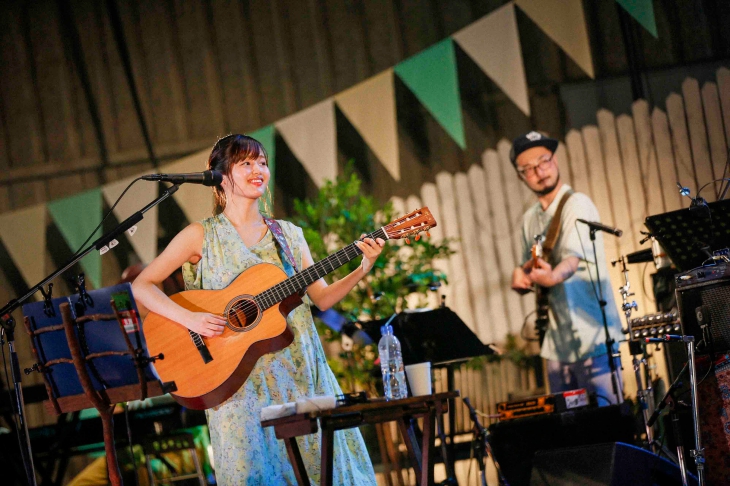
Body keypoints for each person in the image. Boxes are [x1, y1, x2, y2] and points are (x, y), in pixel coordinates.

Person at [132, 134, 381, 485]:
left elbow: (322, 298)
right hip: (235, 383)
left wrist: (362, 268)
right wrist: (191, 318)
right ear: (220, 175)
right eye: (246, 163)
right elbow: (141, 285)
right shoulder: (200, 236)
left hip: (298, 372)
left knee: (323, 470)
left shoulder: (288, 235)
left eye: (262, 162)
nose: (258, 170)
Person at [509, 131, 624, 406]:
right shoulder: (529, 219)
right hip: (555, 344)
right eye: (529, 168)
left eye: (544, 160)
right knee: (568, 424)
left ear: (555, 160)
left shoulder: (577, 203)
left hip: (592, 337)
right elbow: (531, 265)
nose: (540, 171)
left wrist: (551, 276)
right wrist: (521, 275)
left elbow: (571, 261)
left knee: (608, 420)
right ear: (521, 176)